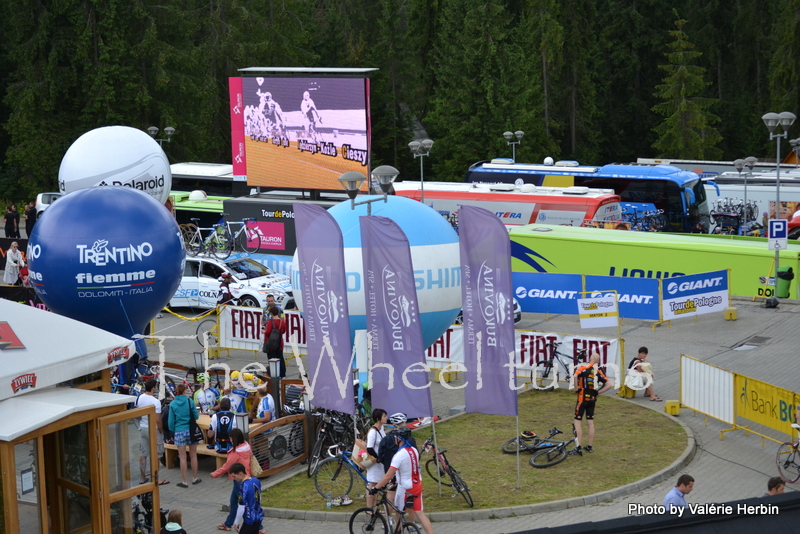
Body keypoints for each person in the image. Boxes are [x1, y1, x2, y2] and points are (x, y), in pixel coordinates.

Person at [373, 426, 434, 534]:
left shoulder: (399, 455)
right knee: (420, 513)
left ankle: (398, 531)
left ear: (399, 439)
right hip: (417, 484)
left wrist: (375, 488)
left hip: (405, 487)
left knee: (399, 511)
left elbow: (388, 476)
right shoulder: (414, 450)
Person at [211, 428, 252, 531]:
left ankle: (258, 527)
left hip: (238, 480)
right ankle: (228, 524)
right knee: (233, 502)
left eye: (230, 437)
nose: (229, 439)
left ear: (233, 438)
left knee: (245, 504)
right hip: (245, 476)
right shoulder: (246, 446)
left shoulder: (235, 452)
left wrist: (215, 474)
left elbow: (227, 466)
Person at [573, 353, 614, 454]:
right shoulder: (598, 371)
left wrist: (576, 388)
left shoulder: (583, 367)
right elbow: (609, 385)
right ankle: (589, 446)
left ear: (590, 358)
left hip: (582, 398)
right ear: (598, 362)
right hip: (592, 399)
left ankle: (578, 447)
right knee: (590, 422)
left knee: (577, 422)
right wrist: (597, 393)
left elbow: (575, 376)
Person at [135, 378, 169, 485]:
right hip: (153, 429)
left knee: (143, 453)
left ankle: (142, 477)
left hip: (143, 428)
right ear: (154, 388)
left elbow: (138, 413)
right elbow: (158, 419)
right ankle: (156, 478)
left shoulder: (140, 398)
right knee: (157, 454)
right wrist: (161, 431)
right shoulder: (155, 402)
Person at [168, 383, 201, 488]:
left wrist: (173, 431)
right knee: (193, 455)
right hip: (190, 431)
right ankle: (195, 478)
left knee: (182, 457)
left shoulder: (172, 404)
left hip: (179, 431)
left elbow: (170, 422)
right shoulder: (189, 401)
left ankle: (184, 481)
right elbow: (196, 415)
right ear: (184, 391)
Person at [229, 462, 264, 534]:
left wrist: (236, 522)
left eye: (234, 476)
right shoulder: (256, 480)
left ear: (240, 474)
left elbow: (241, 507)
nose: (233, 479)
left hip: (250, 519)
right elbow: (259, 496)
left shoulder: (243, 486)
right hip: (258, 515)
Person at [365, 408, 388, 508]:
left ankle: (374, 507)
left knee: (378, 484)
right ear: (378, 419)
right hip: (375, 463)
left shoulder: (381, 429)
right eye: (384, 416)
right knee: (372, 484)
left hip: (380, 462)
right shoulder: (373, 432)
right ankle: (369, 508)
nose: (386, 418)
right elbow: (369, 448)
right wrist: (378, 458)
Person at [263, 306, 287, 377]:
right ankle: (282, 374)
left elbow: (267, 332)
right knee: (280, 358)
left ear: (271, 313)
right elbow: (283, 331)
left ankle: (274, 374)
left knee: (272, 360)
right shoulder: (282, 321)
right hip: (279, 343)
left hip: (271, 344)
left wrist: (263, 331)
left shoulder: (271, 321)